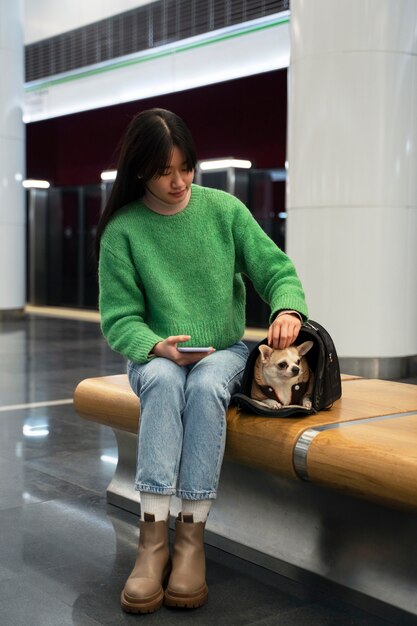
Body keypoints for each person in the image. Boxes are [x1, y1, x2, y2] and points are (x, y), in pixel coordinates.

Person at [96, 108, 308, 614]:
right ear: (140, 170)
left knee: (207, 385)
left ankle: (190, 538)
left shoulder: (224, 211)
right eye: (164, 171)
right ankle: (152, 541)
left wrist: (287, 308)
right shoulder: (123, 232)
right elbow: (119, 319)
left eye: (186, 167)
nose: (178, 182)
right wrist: (156, 346)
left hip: (225, 352)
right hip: (155, 355)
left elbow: (276, 269)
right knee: (168, 381)